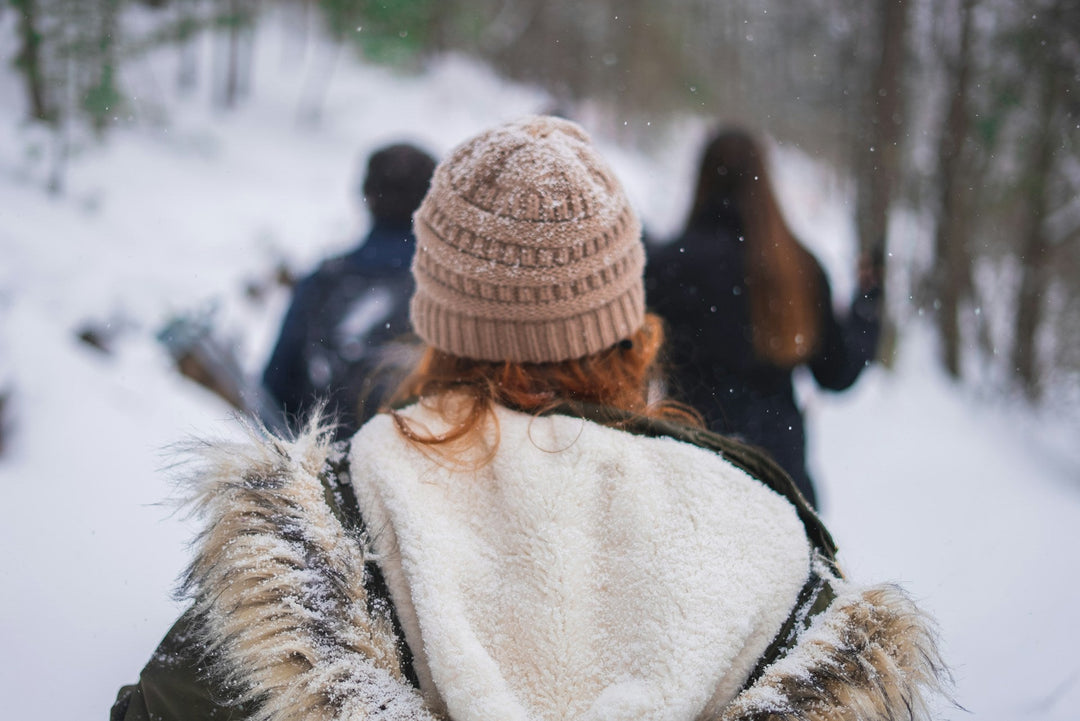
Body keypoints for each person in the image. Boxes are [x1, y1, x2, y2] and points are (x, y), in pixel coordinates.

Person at [112, 117, 946, 721]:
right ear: (636, 331)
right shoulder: (770, 548)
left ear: (434, 325)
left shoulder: (330, 529)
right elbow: (838, 367)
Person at [646, 128, 883, 510]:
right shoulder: (798, 270)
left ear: (703, 179)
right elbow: (838, 373)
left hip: (685, 480)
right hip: (778, 484)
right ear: (765, 184)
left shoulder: (664, 266)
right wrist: (866, 308)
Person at [262, 142, 437, 438]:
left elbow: (274, 392)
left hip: (324, 471)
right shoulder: (451, 295)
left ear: (366, 196)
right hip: (421, 473)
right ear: (434, 203)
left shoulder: (324, 281)